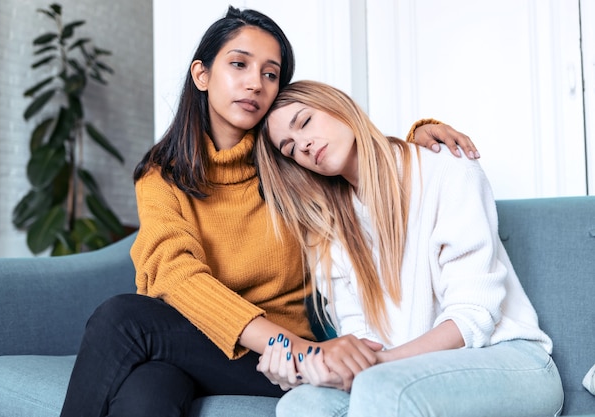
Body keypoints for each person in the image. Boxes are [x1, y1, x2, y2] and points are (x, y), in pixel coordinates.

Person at [59, 6, 478, 417]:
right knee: (145, 393)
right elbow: (175, 274)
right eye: (239, 64)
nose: (255, 83)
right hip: (200, 342)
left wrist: (418, 138)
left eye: (270, 73)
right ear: (201, 74)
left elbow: (356, 155)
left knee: (121, 319)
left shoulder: (288, 162)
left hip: (274, 360)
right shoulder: (162, 176)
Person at [255, 80, 564, 417]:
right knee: (301, 405)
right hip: (401, 374)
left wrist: (379, 364)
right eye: (289, 148)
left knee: (381, 388)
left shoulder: (449, 168)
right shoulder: (326, 227)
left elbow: (474, 316)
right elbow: (359, 336)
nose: (304, 144)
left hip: (508, 359)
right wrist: (313, 370)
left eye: (305, 122)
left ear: (338, 104)